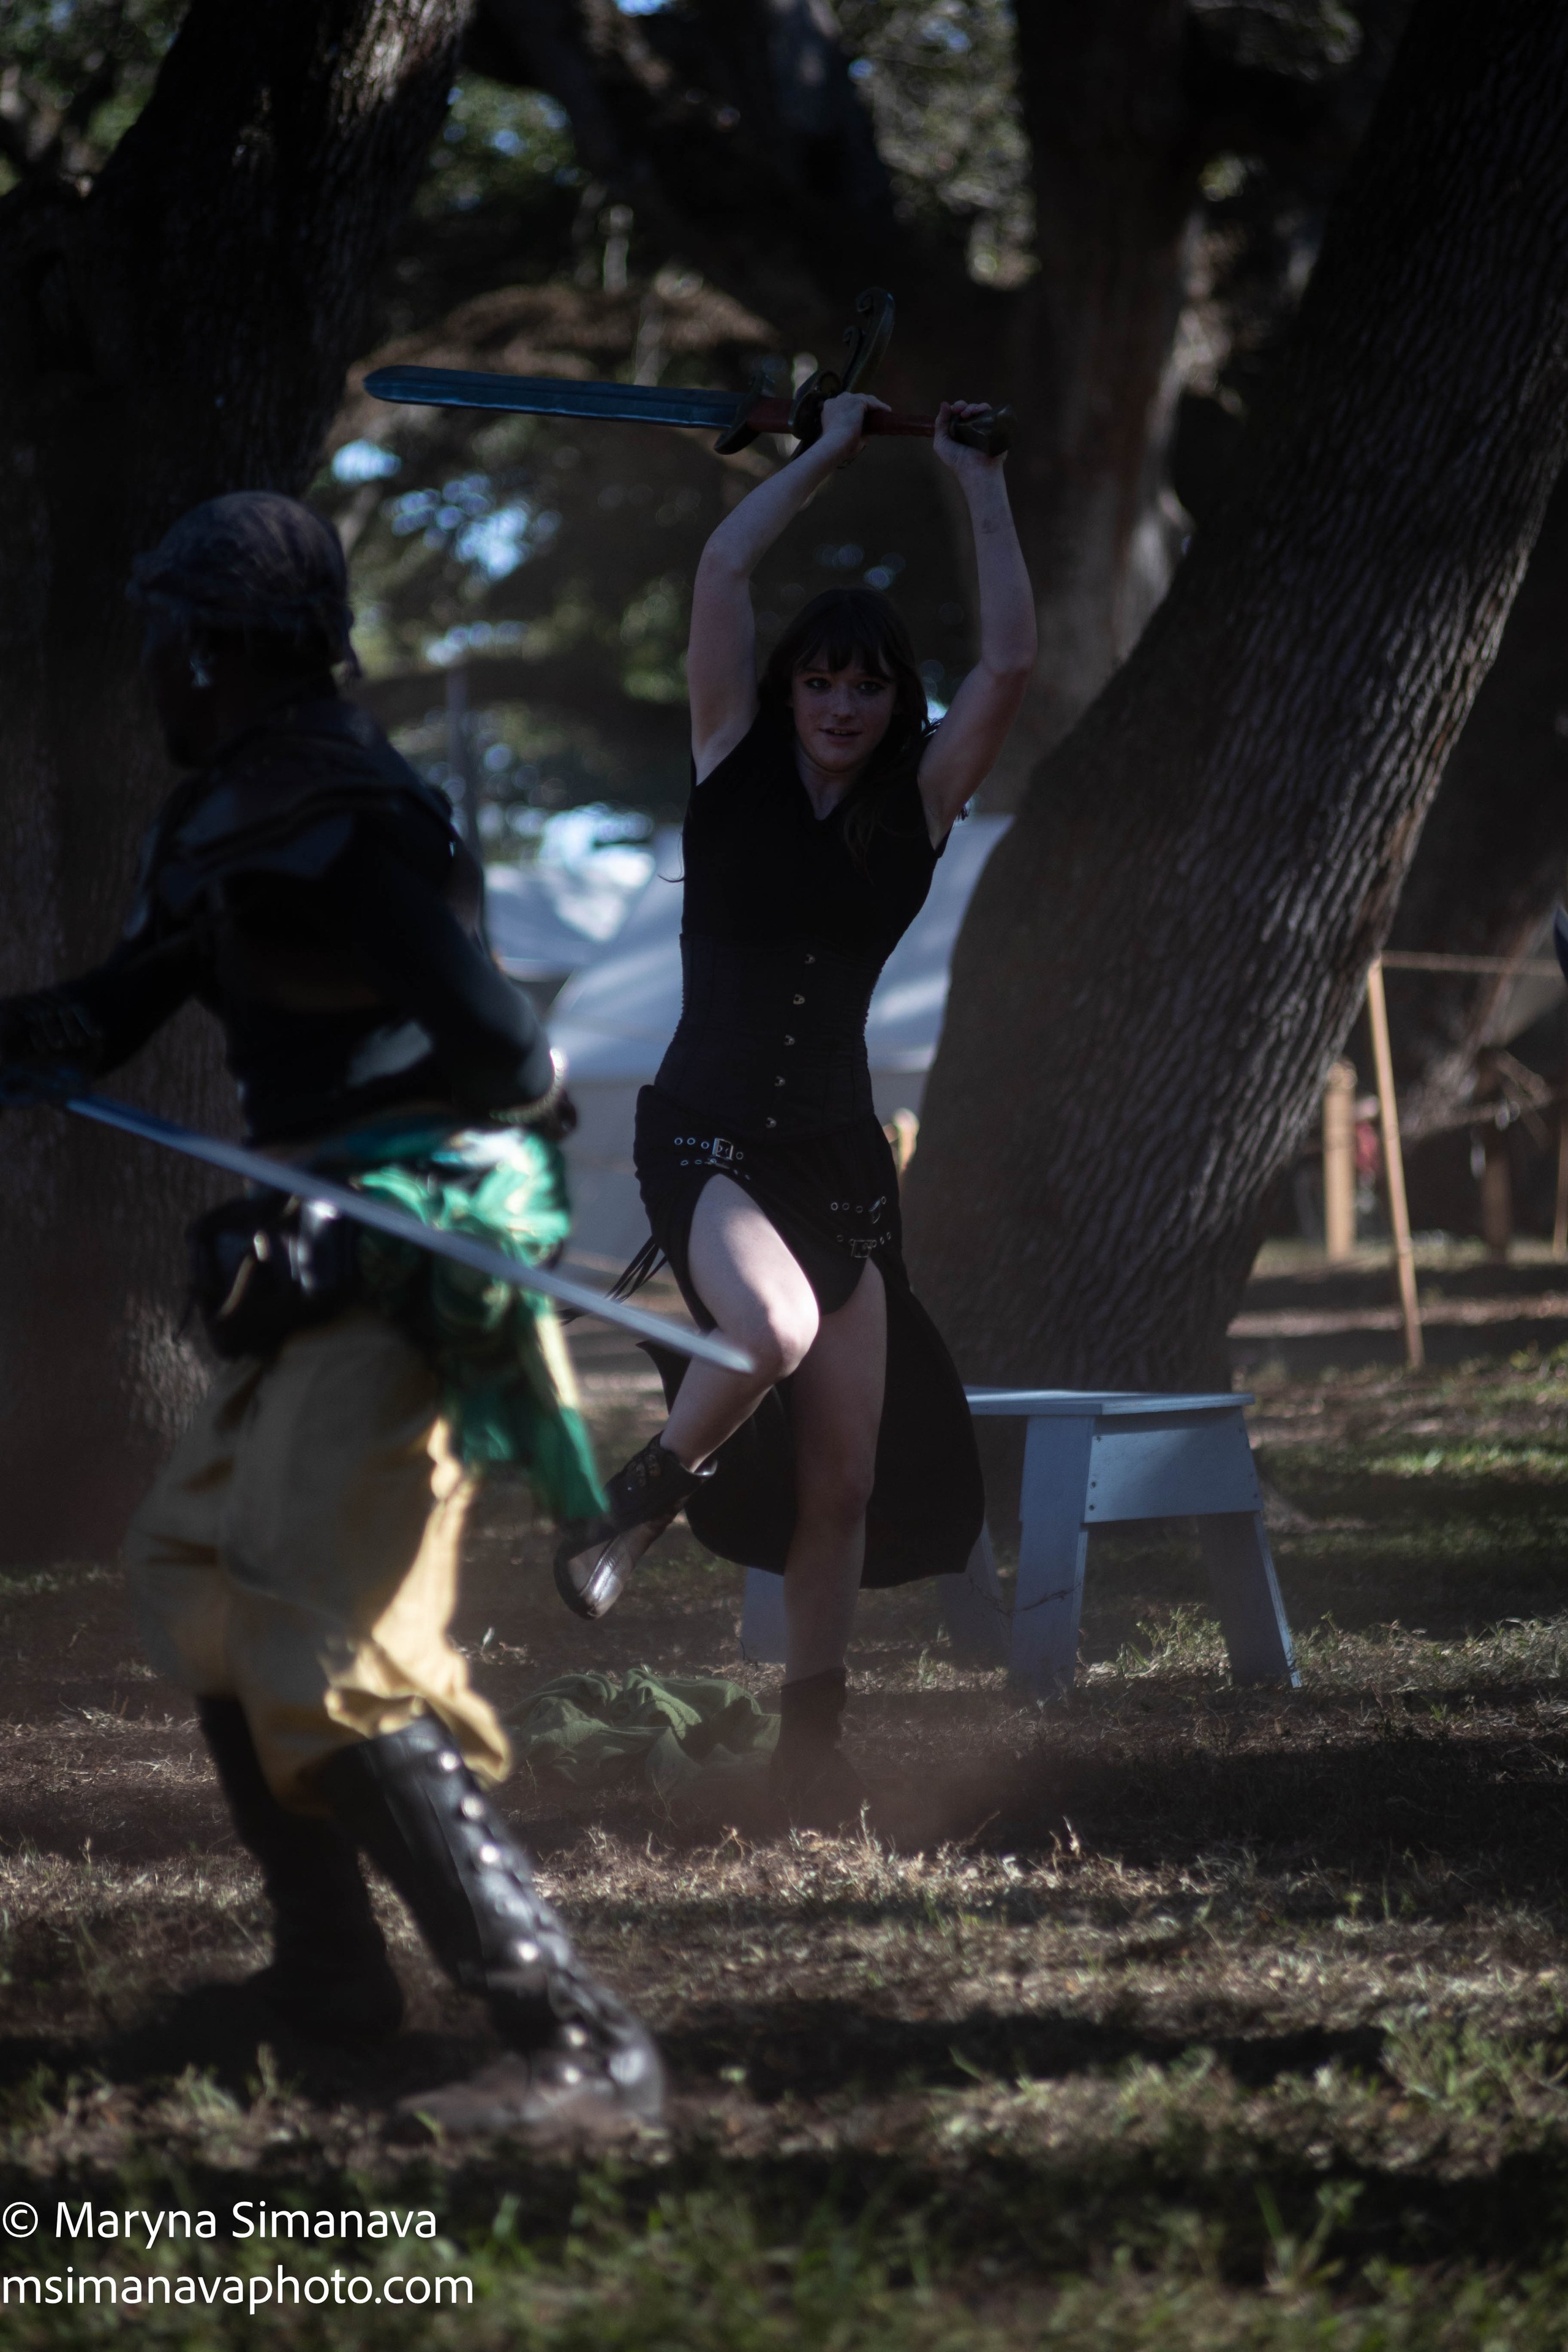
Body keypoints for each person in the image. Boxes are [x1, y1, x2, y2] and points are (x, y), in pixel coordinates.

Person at [0, 492, 662, 2138]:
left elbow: (502, 1050)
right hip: (310, 1242)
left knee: (329, 1630)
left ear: (216, 649)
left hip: (411, 1238)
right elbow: (110, 1012)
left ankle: (577, 2036)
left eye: (165, 639)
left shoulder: (347, 812)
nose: (149, 670)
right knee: (206, 1568)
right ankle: (327, 1977)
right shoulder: (230, 811)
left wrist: (492, 1103)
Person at [556, 393, 1036, 1820]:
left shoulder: (919, 808)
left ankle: (809, 1745)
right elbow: (719, 575)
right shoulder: (727, 763)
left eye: (867, 686)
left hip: (835, 1160)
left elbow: (1008, 656)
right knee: (767, 1331)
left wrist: (973, 477)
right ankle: (633, 1503)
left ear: (897, 705)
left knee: (843, 1475)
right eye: (820, 680)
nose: (839, 704)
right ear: (785, 691)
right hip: (702, 1135)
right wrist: (820, 450)